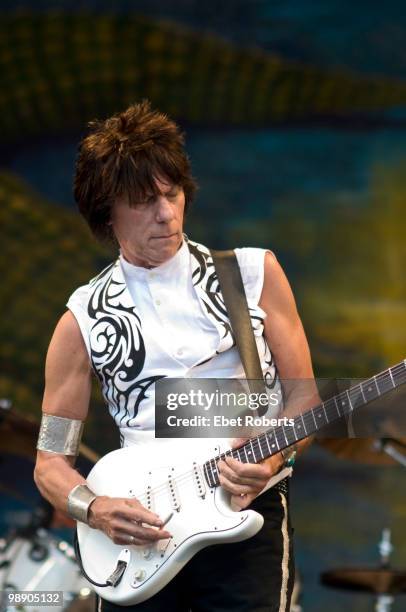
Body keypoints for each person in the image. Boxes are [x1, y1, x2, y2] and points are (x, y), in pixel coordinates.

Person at [34, 100, 316, 611]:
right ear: (107, 211)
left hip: (247, 521)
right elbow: (51, 463)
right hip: (140, 539)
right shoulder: (82, 320)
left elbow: (305, 403)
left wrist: (276, 455)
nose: (166, 212)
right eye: (144, 200)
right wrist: (93, 508)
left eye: (172, 192)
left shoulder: (253, 275)